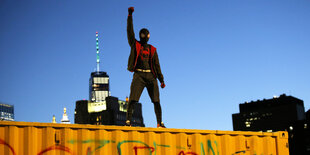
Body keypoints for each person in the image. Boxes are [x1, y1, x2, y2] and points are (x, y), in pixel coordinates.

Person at [126, 7, 166, 128]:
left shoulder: (153, 49)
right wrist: (130, 16)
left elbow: (157, 65)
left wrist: (161, 80)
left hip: (151, 76)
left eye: (145, 34)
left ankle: (160, 123)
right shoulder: (135, 44)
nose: (144, 36)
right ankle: (128, 121)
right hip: (138, 75)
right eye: (143, 34)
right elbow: (130, 32)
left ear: (148, 36)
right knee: (133, 99)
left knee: (156, 101)